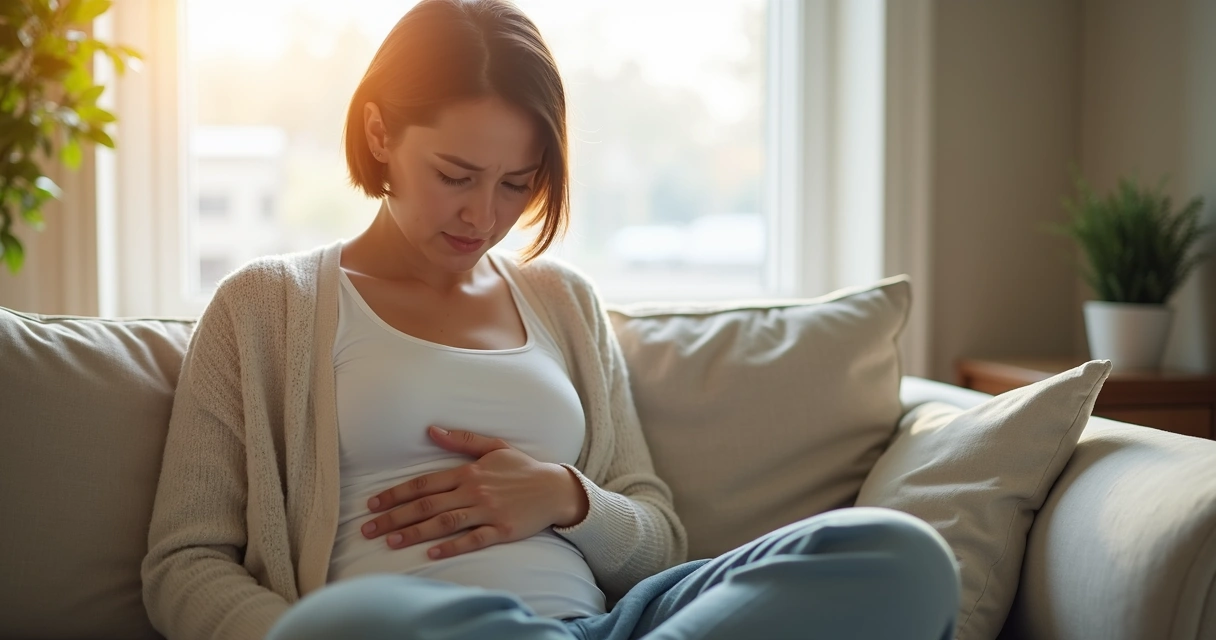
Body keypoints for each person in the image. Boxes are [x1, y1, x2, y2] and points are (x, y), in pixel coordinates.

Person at [140, 1, 961, 638]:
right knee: (348, 626)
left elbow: (660, 539)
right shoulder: (265, 307)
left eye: (514, 184)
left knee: (899, 553)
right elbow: (185, 563)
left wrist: (567, 498)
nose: (482, 216)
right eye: (456, 175)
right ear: (379, 130)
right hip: (398, 628)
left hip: (607, 627)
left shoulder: (562, 303)